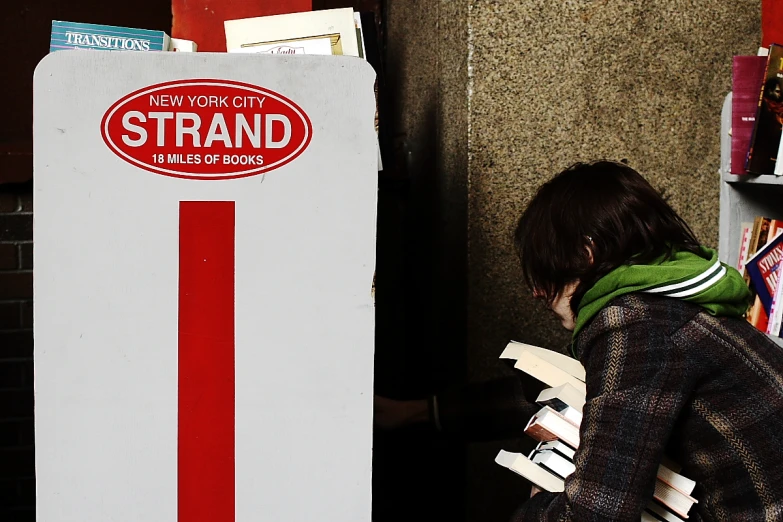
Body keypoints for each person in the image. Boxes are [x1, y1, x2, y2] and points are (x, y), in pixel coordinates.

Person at [375, 160, 783, 521]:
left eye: (543, 272)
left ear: (586, 255)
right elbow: (565, 396)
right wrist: (415, 413)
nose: (537, 293)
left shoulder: (637, 324)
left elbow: (597, 511)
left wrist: (542, 501)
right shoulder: (667, 303)